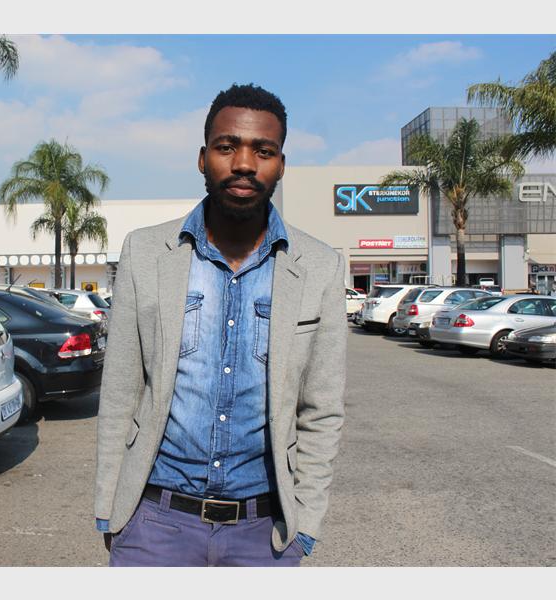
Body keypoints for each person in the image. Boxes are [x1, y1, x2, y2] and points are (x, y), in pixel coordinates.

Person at [95, 83, 346, 567]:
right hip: (154, 524)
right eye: (227, 146)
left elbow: (322, 411)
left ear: (281, 165)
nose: (244, 163)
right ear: (202, 158)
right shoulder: (145, 252)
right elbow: (120, 391)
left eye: (263, 151)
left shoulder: (319, 266)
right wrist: (111, 511)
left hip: (265, 534)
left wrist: (306, 525)